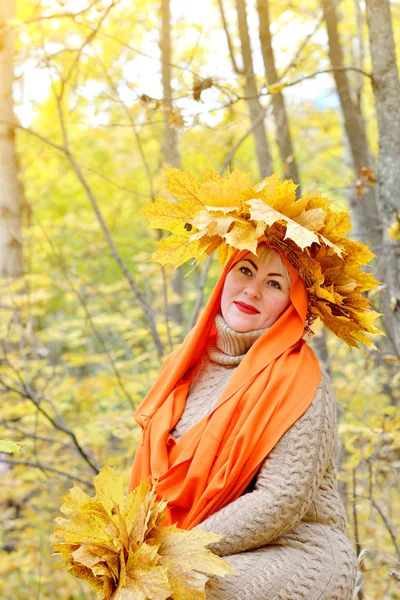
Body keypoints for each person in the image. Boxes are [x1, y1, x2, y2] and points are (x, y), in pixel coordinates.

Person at [129, 170, 378, 599]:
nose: (253, 290)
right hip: (192, 547)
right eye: (245, 270)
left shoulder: (302, 382)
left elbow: (279, 501)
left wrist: (174, 551)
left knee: (182, 589)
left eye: (275, 283)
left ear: (292, 304)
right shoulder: (184, 367)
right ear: (226, 275)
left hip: (296, 550)